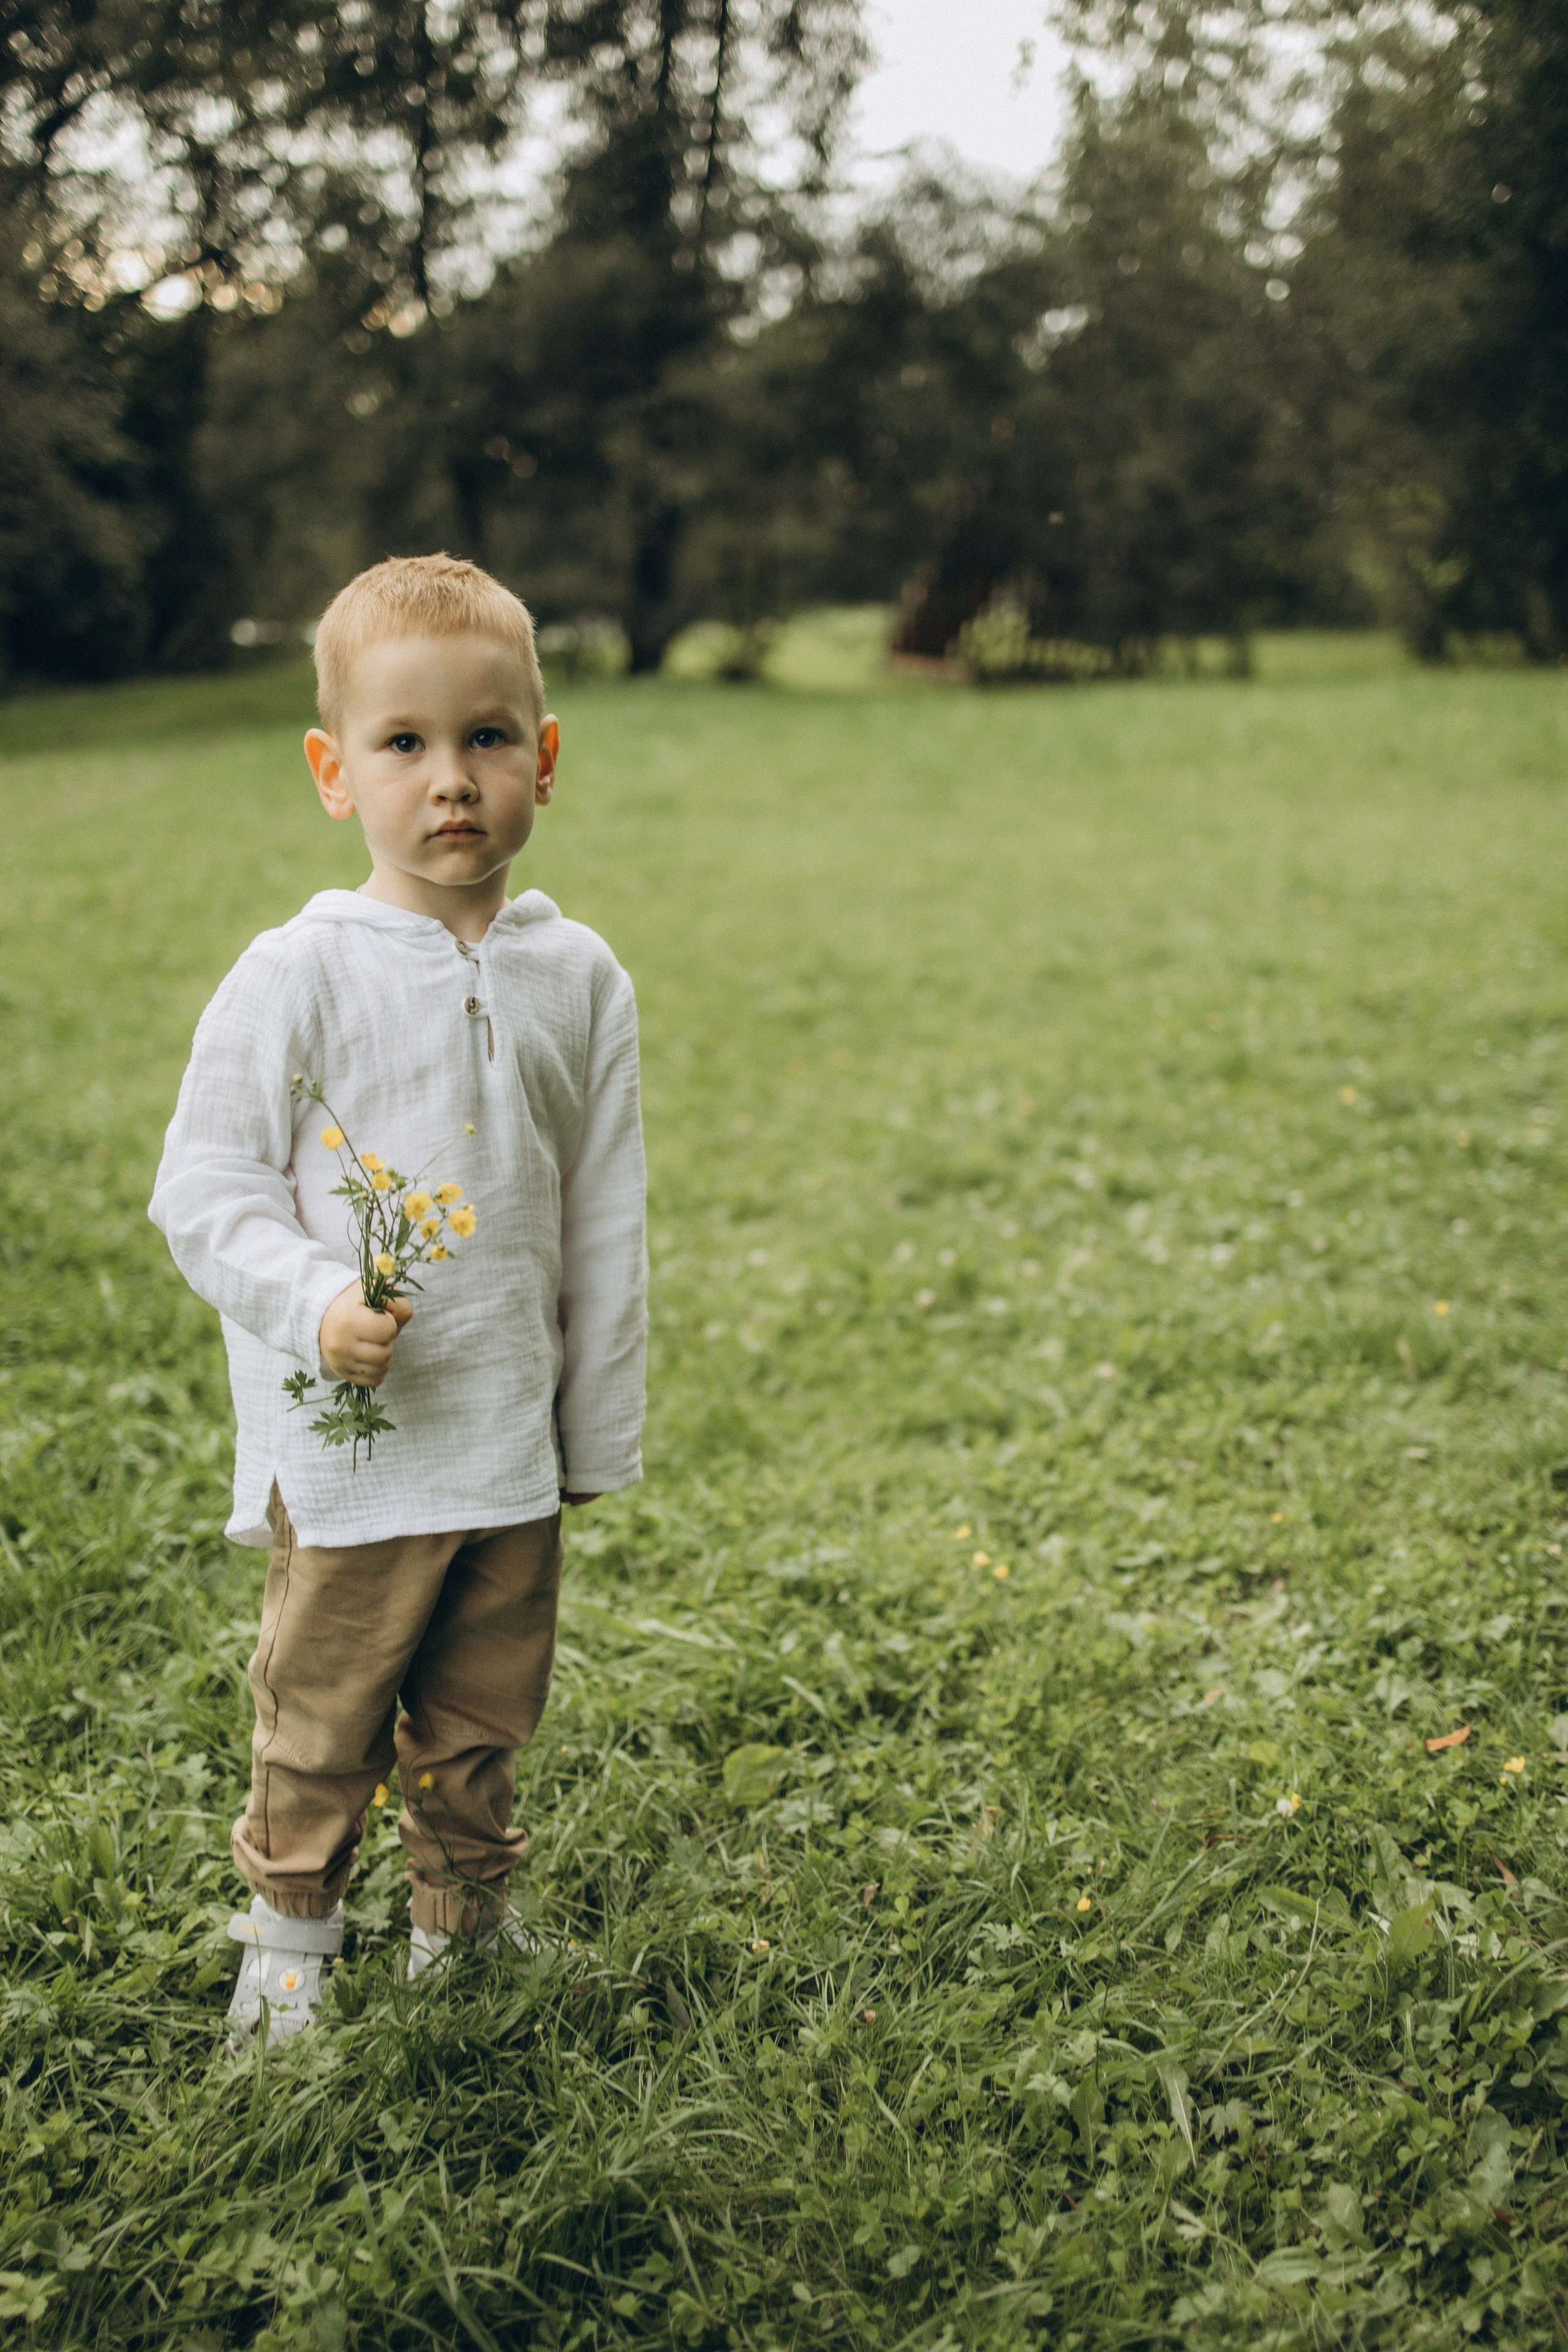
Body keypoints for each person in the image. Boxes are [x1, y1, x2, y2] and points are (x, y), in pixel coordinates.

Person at [149, 554, 647, 2045]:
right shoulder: (295, 974)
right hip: (360, 1453)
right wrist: (312, 1303)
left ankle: (462, 1932)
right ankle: (293, 1936)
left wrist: (590, 1434)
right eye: (404, 744)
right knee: (325, 1716)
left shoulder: (578, 976)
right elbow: (205, 1187)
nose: (452, 781)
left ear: (544, 761)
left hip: (506, 1447)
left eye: (489, 738)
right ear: (332, 770)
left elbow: (604, 1219)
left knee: (483, 1714)